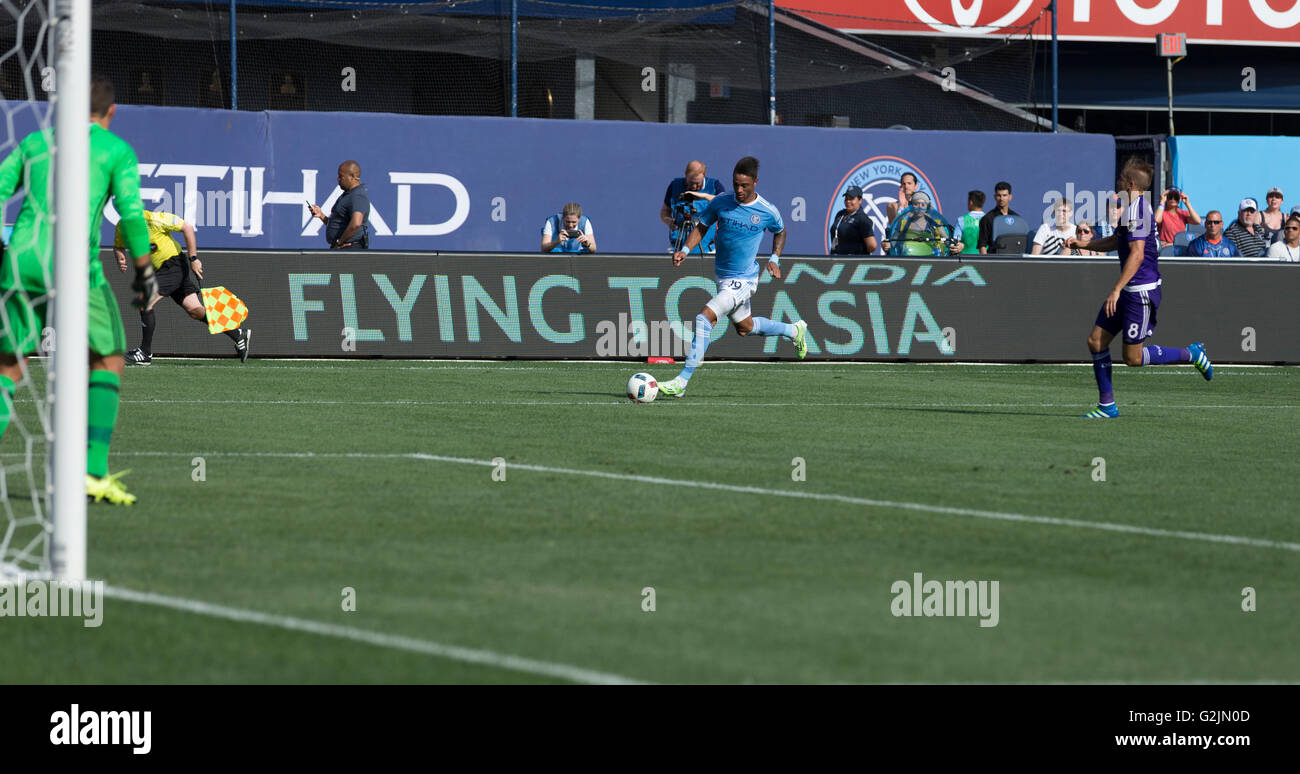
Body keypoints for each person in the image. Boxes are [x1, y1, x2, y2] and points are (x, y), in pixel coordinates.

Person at [0, 74, 153, 504]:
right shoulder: (116, 151)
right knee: (108, 358)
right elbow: (133, 215)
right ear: (112, 111)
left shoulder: (34, 142)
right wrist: (144, 273)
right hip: (73, 268)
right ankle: (92, 472)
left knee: (8, 368)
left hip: (22, 260)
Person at [1067, 156, 1212, 420]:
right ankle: (1107, 406)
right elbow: (1115, 242)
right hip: (1129, 290)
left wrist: (1115, 289)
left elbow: (1136, 255)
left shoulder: (1138, 211)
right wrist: (1083, 244)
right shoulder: (1133, 208)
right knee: (1096, 341)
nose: (1118, 181)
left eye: (1122, 178)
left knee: (1132, 359)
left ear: (1130, 183)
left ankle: (1191, 353)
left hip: (1140, 292)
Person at [658, 156, 807, 398]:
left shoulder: (767, 211)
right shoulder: (720, 202)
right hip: (723, 277)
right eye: (736, 184)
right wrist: (685, 249)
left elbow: (780, 231)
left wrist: (774, 259)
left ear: (755, 182)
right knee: (745, 328)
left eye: (744, 185)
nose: (739, 189)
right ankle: (794, 331)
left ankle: (681, 382)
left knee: (704, 318)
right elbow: (702, 226)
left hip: (744, 280)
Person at [115, 210, 250, 365]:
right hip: (162, 269)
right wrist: (120, 257)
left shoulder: (156, 219)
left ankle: (145, 353)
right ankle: (238, 334)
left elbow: (188, 228)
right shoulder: (121, 226)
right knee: (195, 310)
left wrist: (193, 258)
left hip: (174, 265)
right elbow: (118, 246)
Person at [660, 160, 724, 254]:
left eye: (697, 183)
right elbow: (664, 212)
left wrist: (704, 196)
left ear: (704, 175)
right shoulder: (674, 186)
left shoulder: (714, 186)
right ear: (685, 175)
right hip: (678, 248)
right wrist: (669, 222)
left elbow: (724, 202)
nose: (694, 186)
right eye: (691, 183)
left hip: (706, 248)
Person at [307, 160, 370, 249]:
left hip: (350, 250)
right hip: (341, 248)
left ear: (352, 176)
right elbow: (338, 224)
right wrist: (321, 215)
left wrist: (339, 242)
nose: (338, 179)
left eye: (341, 176)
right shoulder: (348, 195)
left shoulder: (357, 196)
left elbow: (356, 223)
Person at [884, 191, 959, 256]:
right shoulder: (902, 223)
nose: (919, 207)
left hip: (932, 262)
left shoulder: (936, 224)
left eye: (923, 205)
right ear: (911, 206)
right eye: (916, 204)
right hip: (907, 261)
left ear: (927, 207)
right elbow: (893, 243)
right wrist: (887, 245)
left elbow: (948, 243)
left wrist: (958, 246)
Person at [828, 185, 878, 254]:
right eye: (846, 198)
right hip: (836, 259)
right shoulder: (840, 214)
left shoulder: (862, 219)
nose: (848, 201)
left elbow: (872, 246)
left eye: (851, 198)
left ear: (860, 200)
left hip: (852, 262)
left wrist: (855, 252)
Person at [976, 182, 1018, 254]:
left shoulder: (1016, 218)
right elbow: (982, 245)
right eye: (999, 195)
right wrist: (987, 263)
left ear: (1010, 197)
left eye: (1004, 195)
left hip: (1014, 259)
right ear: (995, 197)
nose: (1001, 199)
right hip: (995, 259)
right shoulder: (987, 219)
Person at [955, 190, 985, 256]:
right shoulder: (990, 220)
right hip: (986, 261)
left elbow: (955, 243)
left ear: (970, 202)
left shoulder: (961, 220)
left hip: (965, 262)